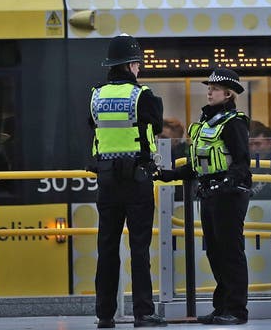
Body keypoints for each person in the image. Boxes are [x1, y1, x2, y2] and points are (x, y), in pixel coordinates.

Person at [88, 34, 167, 329]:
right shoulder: (143, 95)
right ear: (132, 65)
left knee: (107, 247)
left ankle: (105, 314)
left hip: (107, 181)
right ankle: (142, 313)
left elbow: (93, 128)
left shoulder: (96, 95)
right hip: (137, 180)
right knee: (139, 248)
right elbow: (156, 126)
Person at [189, 68, 252, 325]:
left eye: (214, 89)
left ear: (228, 93)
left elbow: (241, 162)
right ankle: (222, 305)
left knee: (230, 252)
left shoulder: (233, 123)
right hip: (210, 193)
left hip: (229, 196)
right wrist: (169, 174)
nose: (209, 91)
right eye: (209, 88)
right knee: (215, 252)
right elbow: (199, 162)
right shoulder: (207, 122)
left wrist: (227, 183)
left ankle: (237, 310)